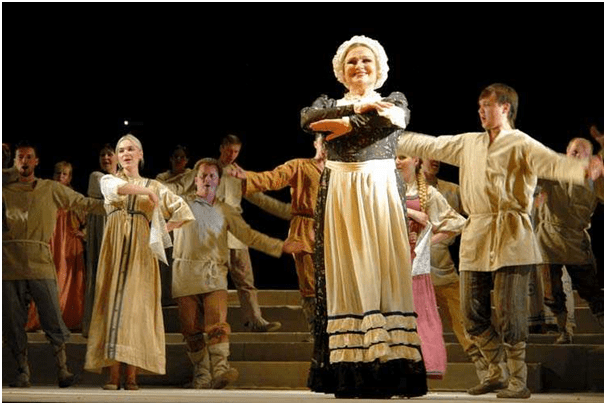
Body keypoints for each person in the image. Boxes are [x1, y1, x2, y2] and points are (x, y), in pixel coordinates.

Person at [397, 83, 604, 399]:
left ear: (505, 108)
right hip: (477, 235)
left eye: (487, 106)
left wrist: (587, 167)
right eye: (479, 106)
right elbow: (430, 144)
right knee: (471, 312)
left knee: (511, 313)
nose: (481, 111)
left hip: (512, 235)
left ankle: (518, 380)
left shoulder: (522, 144)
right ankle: (496, 371)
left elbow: (555, 163)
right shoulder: (468, 143)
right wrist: (388, 134)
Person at [301, 35, 427, 399]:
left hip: (378, 189)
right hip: (341, 190)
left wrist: (347, 125)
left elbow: (392, 121)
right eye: (352, 61)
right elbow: (308, 119)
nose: (359, 66)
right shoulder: (328, 103)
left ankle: (390, 365)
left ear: (379, 68)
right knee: (346, 267)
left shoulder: (394, 100)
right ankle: (351, 368)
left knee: (382, 265)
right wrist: (357, 111)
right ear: (341, 70)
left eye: (366, 60)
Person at [172, 158, 304, 390]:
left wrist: (280, 246)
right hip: (185, 274)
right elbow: (158, 201)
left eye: (212, 176)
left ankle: (220, 370)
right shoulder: (181, 204)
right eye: (203, 175)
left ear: (218, 181)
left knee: (217, 324)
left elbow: (248, 235)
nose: (207, 180)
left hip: (213, 274)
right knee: (191, 329)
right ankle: (202, 374)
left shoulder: (226, 210)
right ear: (195, 180)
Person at [84, 134, 195, 390]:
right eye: (122, 150)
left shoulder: (155, 185)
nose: (126, 153)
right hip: (114, 249)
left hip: (140, 252)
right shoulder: (108, 180)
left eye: (131, 149)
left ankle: (132, 375)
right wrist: (147, 192)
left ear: (140, 154)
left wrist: (160, 230)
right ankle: (113, 375)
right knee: (112, 304)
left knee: (136, 308)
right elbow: (118, 190)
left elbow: (183, 210)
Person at [3, 141, 105, 388]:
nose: (25, 161)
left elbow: (83, 203)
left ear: (37, 161)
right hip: (9, 263)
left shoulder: (49, 188)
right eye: (20, 157)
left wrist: (115, 205)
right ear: (15, 161)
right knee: (13, 322)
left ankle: (63, 369)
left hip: (40, 261)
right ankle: (22, 371)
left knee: (52, 316)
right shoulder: (5, 190)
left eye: (29, 157)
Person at [228, 133, 326, 332]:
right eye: (324, 142)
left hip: (331, 229)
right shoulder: (300, 165)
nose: (328, 147)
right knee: (310, 284)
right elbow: (274, 178)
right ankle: (316, 331)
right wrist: (249, 176)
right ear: (316, 143)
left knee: (333, 282)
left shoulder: (338, 172)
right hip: (305, 228)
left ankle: (334, 330)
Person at [396, 154, 466, 379]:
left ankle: (424, 365)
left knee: (421, 315)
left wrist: (426, 242)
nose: (397, 162)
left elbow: (456, 223)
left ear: (416, 160)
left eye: (402, 157)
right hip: (390, 263)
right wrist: (410, 212)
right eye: (394, 157)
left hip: (416, 264)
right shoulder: (386, 189)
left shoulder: (428, 193)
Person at [419, 158, 489, 382]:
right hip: (411, 263)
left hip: (440, 262)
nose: (434, 160)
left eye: (437, 156)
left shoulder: (451, 190)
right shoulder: (403, 188)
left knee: (462, 315)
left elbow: (471, 216)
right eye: (428, 155)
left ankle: (485, 366)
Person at [217, 134, 291, 333]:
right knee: (213, 283)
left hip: (236, 234)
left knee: (246, 280)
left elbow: (260, 199)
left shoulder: (239, 174)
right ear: (221, 148)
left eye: (236, 151)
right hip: (212, 234)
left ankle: (255, 320)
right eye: (229, 150)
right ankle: (213, 324)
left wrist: (288, 211)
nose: (232, 155)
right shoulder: (207, 170)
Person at [533, 137, 604, 344]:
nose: (577, 156)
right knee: (552, 292)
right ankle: (564, 330)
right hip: (549, 239)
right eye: (574, 151)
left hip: (576, 240)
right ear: (566, 152)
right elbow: (530, 177)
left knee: (591, 290)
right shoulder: (553, 170)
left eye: (582, 153)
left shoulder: (594, 179)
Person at [26, 161, 87, 332]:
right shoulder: (44, 194)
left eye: (64, 174)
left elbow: (87, 218)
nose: (60, 176)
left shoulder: (73, 196)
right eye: (58, 173)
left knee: (69, 280)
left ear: (69, 177)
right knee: (48, 280)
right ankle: (44, 320)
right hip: (51, 242)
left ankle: (69, 319)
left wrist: (84, 233)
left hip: (69, 243)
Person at [82, 144, 118, 337]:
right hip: (101, 227)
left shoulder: (124, 178)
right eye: (102, 154)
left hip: (119, 227)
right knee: (99, 272)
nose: (105, 158)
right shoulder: (96, 176)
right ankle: (97, 325)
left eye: (109, 154)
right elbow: (110, 192)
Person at [156, 144, 193, 307]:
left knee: (184, 261)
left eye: (182, 157)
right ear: (170, 159)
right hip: (167, 222)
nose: (178, 160)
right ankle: (166, 297)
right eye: (175, 157)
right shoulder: (161, 177)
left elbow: (192, 197)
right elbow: (160, 194)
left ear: (187, 160)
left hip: (186, 224)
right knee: (166, 260)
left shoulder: (192, 175)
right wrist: (181, 194)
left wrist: (173, 195)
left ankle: (185, 297)